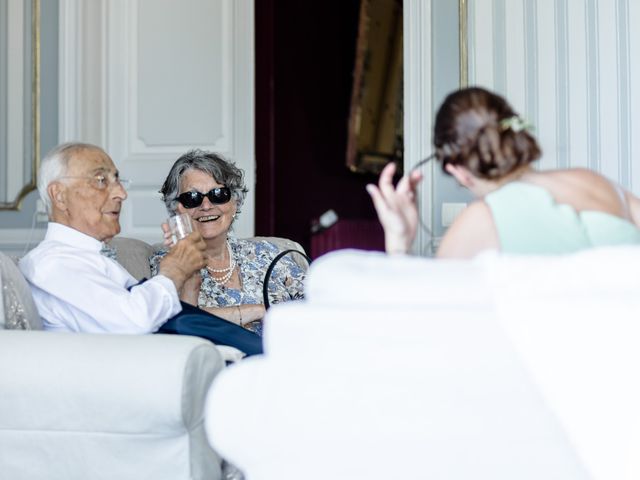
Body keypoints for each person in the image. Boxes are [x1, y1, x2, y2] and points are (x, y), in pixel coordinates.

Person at [19, 142, 262, 355]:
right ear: (59, 196)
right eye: (101, 180)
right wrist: (173, 269)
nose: (121, 193)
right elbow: (134, 323)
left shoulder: (90, 259)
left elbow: (173, 328)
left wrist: (189, 277)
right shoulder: (53, 263)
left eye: (118, 181)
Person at [367, 87, 640, 258]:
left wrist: (399, 244)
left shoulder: (479, 222)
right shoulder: (594, 181)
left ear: (458, 172)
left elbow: (430, 325)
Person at [150, 149, 305, 336]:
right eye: (192, 198)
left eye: (218, 194)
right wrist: (256, 311)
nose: (206, 206)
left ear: (235, 203)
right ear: (176, 208)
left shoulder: (269, 254)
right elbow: (175, 321)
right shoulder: (167, 265)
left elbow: (316, 307)